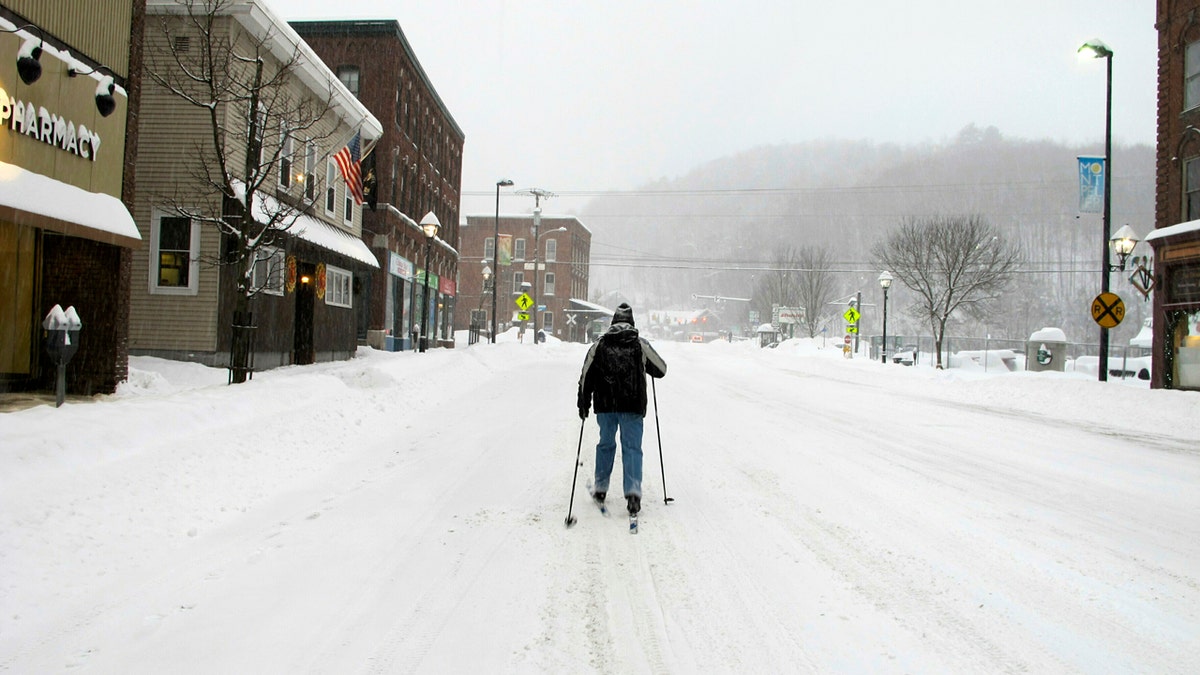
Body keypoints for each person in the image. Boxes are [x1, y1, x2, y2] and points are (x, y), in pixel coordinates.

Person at [577, 303, 667, 516]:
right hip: (633, 406)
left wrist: (583, 403)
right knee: (632, 449)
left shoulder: (599, 345)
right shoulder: (640, 344)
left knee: (606, 444)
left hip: (606, 406)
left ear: (613, 323)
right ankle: (633, 495)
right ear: (632, 323)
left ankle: (600, 489)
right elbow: (661, 369)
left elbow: (585, 377)